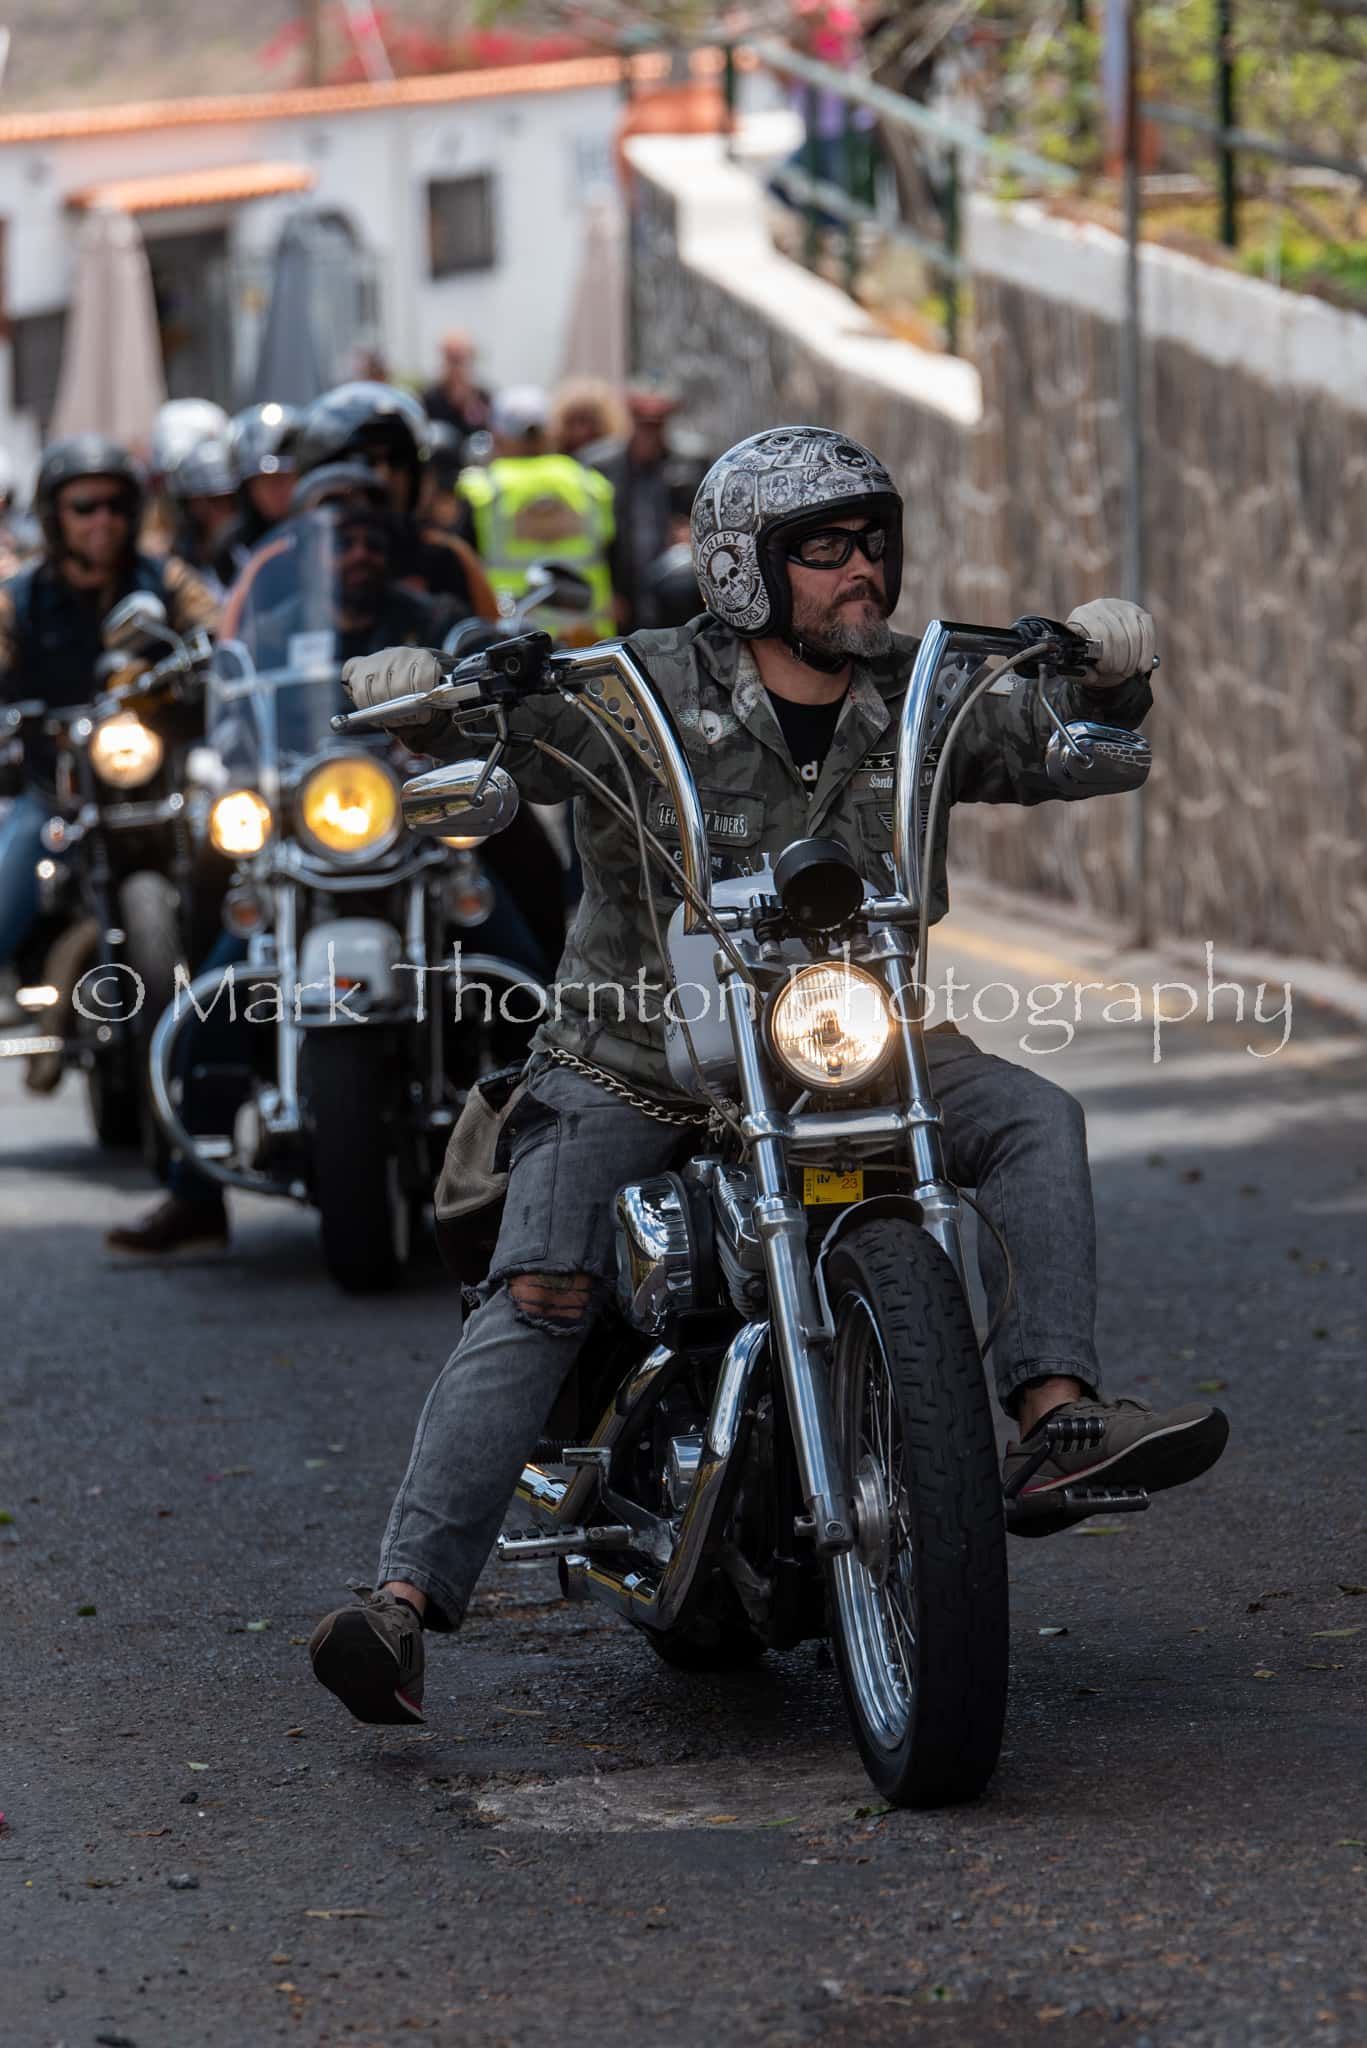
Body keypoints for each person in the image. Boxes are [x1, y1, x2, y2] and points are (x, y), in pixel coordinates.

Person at [306, 423, 1229, 1724]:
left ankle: (1052, 1419)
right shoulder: (630, 689)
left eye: (872, 544)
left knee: (1032, 1117)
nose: (861, 571)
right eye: (824, 549)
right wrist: (422, 700)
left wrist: (1112, 678)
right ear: (744, 568)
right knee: (543, 1284)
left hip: (857, 1042)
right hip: (636, 1055)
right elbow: (498, 730)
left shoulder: (922, 690)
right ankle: (402, 1603)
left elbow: (1046, 736)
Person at [105, 464, 449, 1260]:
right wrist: (232, 759)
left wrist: (477, 657)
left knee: (525, 970)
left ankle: (546, 1167)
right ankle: (195, 1193)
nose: (356, 552)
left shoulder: (426, 617)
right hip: (302, 836)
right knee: (221, 991)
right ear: (304, 549)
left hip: (411, 832)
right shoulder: (266, 627)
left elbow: (476, 671)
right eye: (340, 537)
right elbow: (234, 716)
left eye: (370, 537)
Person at [0, 436, 219, 974]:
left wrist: (213, 664)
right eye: (84, 506)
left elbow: (221, 635)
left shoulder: (166, 579)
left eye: (116, 505)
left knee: (243, 854)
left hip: (164, 782)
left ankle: (239, 996)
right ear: (54, 516)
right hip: (58, 793)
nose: (103, 519)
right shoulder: (18, 598)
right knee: (12, 877)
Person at [292, 381, 498, 624]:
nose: (384, 475)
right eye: (367, 461)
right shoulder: (283, 559)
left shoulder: (446, 557)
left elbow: (491, 636)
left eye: (397, 460)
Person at [458, 387, 616, 644]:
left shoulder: (484, 490)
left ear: (499, 435)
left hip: (510, 647)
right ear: (549, 433)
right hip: (588, 646)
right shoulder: (590, 485)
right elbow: (616, 558)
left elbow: (461, 573)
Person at [579, 381, 684, 632]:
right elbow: (587, 537)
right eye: (643, 420)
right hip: (621, 588)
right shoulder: (598, 465)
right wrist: (605, 592)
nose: (649, 429)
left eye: (657, 421)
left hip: (672, 587)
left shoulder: (688, 463)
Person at [214, 402, 299, 584]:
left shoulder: (323, 533)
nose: (276, 491)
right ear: (248, 489)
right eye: (265, 481)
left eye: (283, 478)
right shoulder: (233, 547)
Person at [164, 435, 238, 594]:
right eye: (210, 501)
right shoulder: (176, 566)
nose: (219, 512)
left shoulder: (248, 554)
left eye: (229, 500)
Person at [421, 330, 491, 440]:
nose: (455, 366)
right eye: (451, 359)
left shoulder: (484, 400)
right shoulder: (429, 400)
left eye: (460, 359)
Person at [548, 378, 630, 460]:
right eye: (571, 422)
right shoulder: (553, 460)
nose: (578, 432)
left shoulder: (616, 462)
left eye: (585, 421)